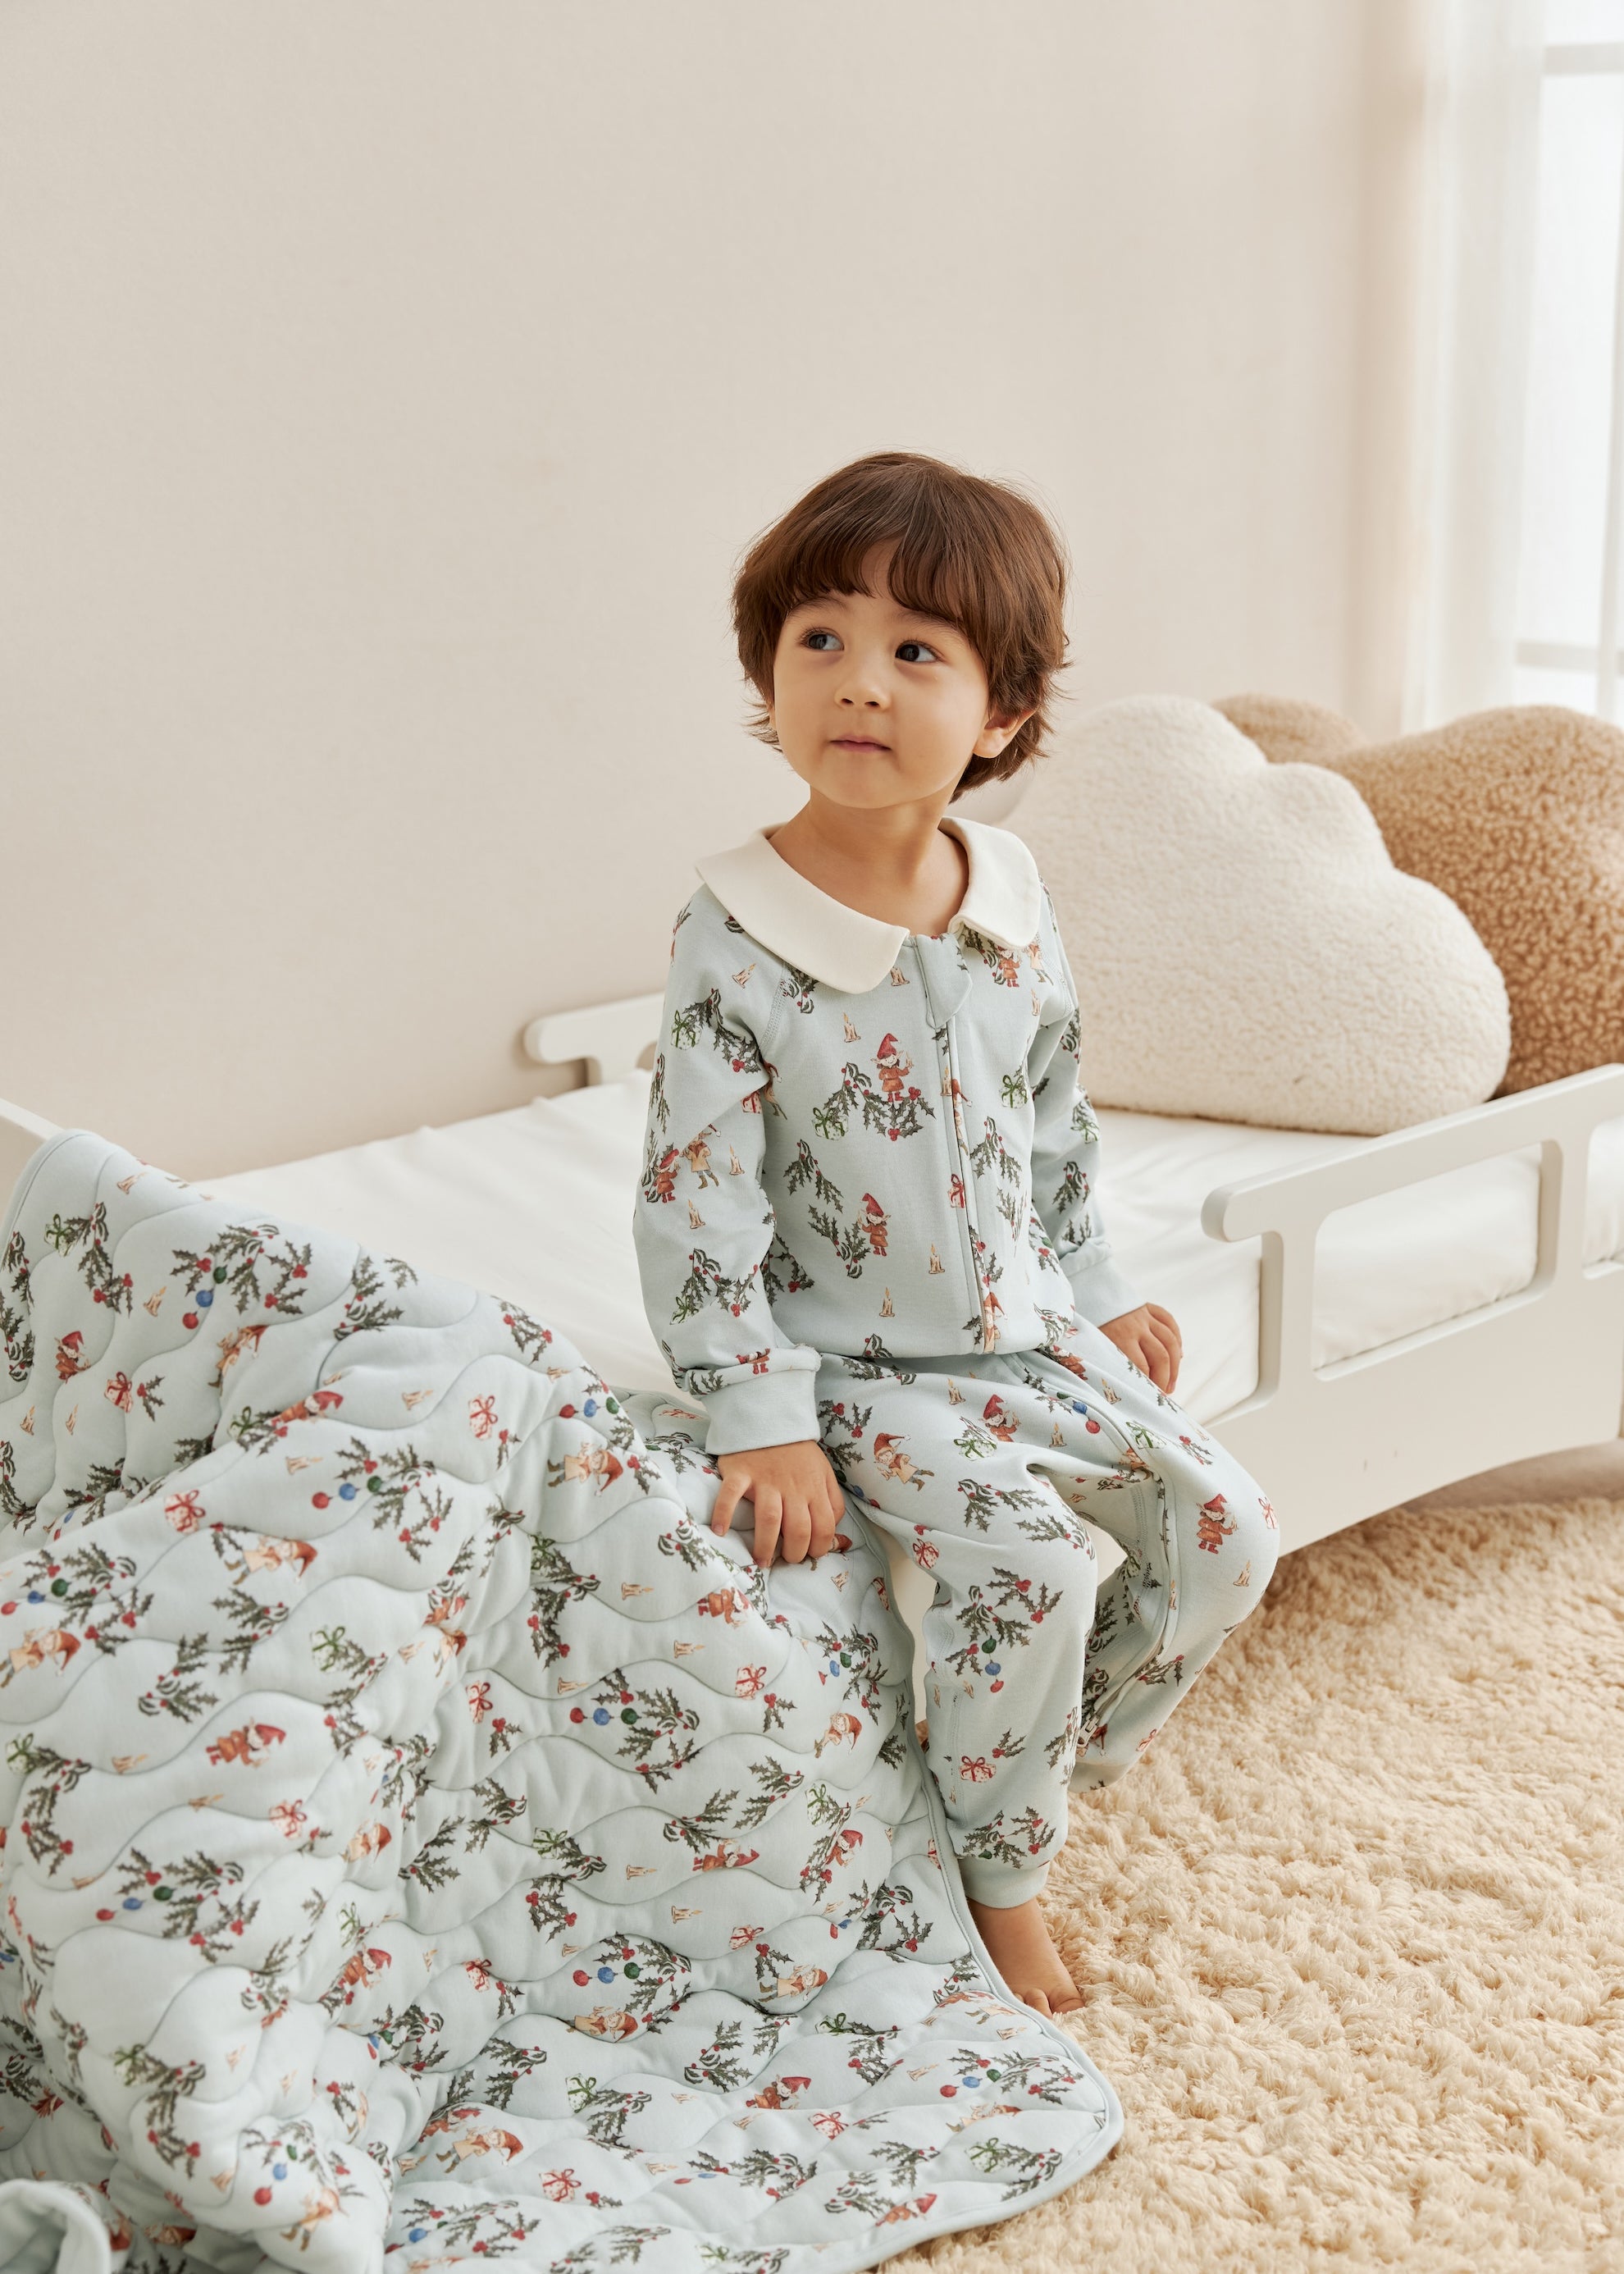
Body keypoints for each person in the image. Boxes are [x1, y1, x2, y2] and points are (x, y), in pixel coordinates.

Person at [632, 450, 1281, 2016]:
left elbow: (1054, 1116)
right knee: (1034, 1576)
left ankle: (1000, 1780)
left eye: (916, 650)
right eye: (821, 640)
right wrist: (760, 1421)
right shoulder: (735, 932)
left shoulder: (1012, 895)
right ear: (768, 675)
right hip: (853, 1366)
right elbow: (694, 1203)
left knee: (1225, 1538)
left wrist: (1103, 1288)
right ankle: (1001, 1883)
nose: (860, 681)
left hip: (1027, 1330)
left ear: (1001, 716)